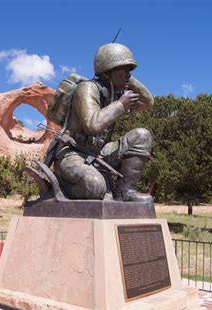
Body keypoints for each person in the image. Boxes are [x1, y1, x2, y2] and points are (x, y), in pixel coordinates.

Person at [52, 43, 154, 202]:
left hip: (99, 152)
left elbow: (147, 102)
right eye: (124, 70)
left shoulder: (114, 94)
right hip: (73, 154)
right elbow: (92, 125)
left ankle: (125, 192)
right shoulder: (87, 89)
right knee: (96, 187)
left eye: (130, 71)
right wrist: (120, 105)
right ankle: (61, 186)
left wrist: (128, 78)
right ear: (107, 73)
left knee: (142, 135)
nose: (128, 75)